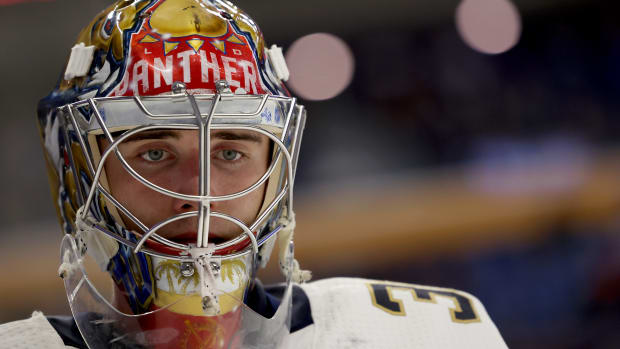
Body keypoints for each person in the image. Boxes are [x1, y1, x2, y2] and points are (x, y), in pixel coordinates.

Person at [0, 0, 508, 348]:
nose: (198, 197)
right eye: (154, 153)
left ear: (276, 170)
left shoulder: (420, 335)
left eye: (229, 153)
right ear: (81, 176)